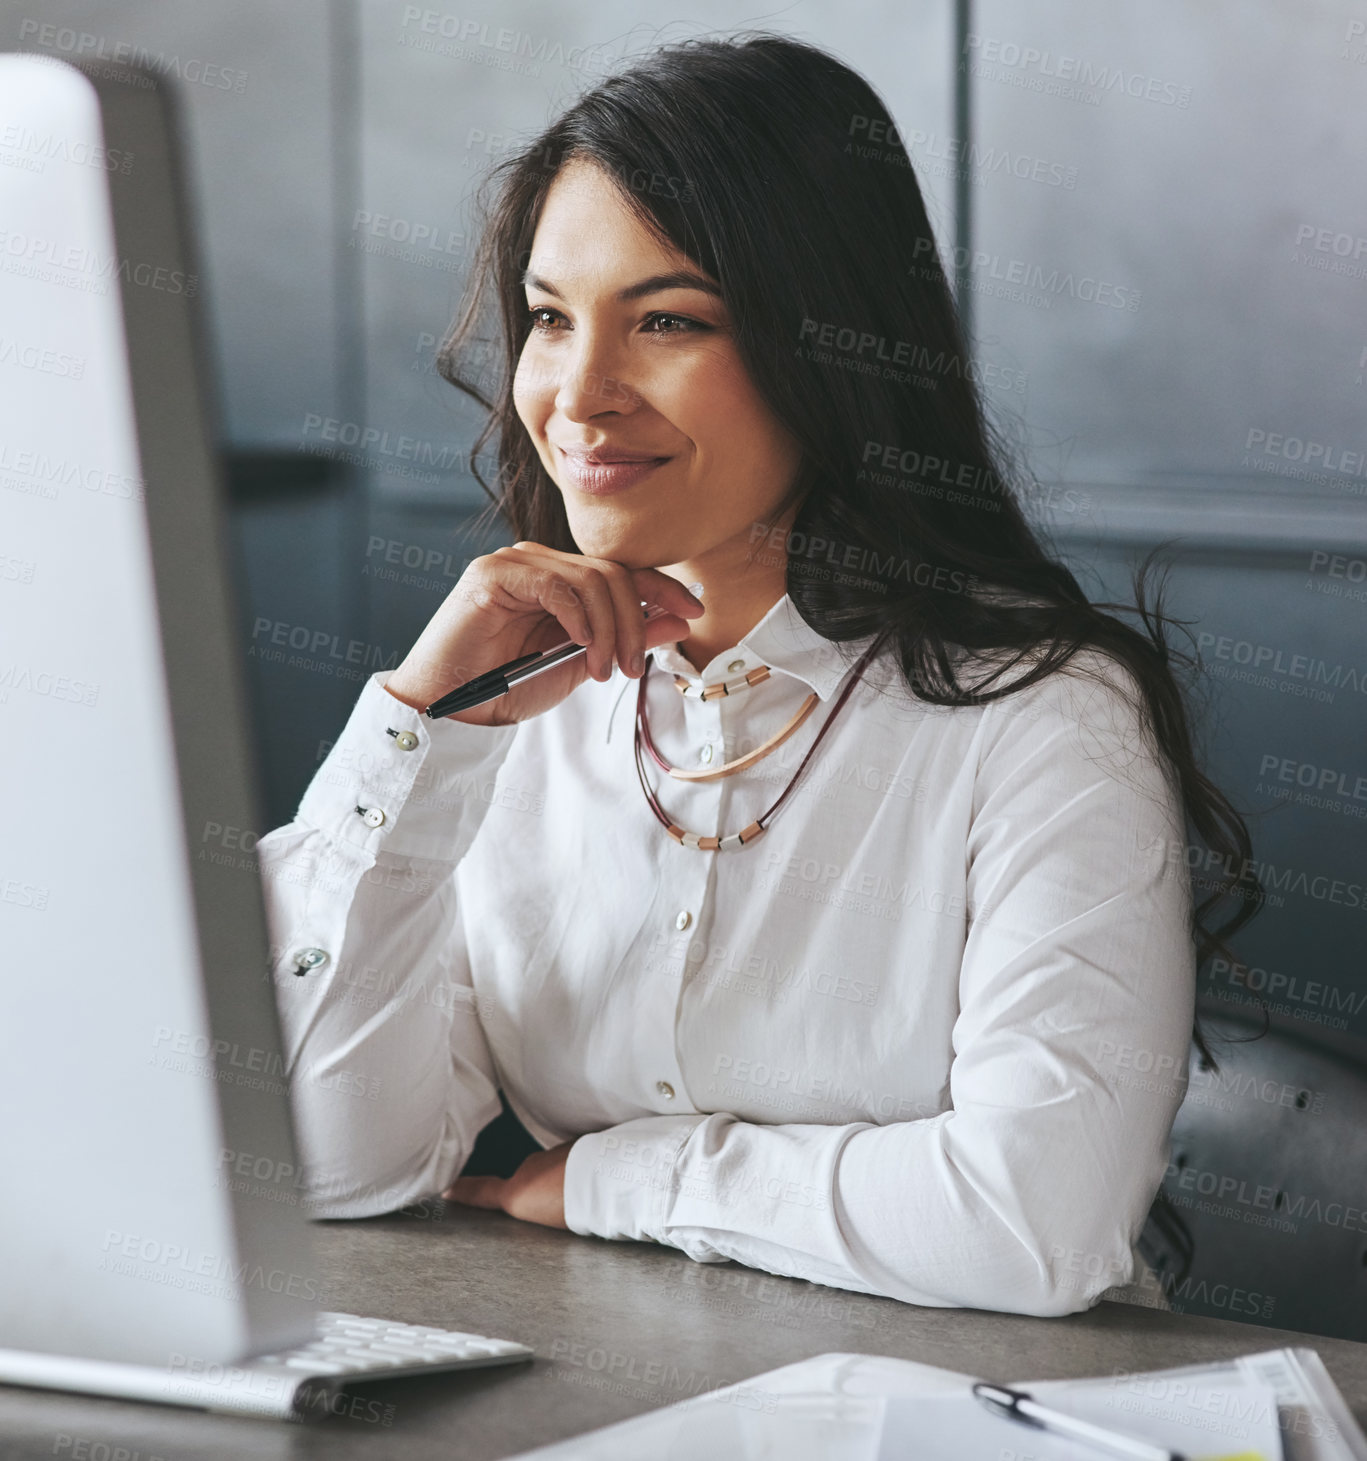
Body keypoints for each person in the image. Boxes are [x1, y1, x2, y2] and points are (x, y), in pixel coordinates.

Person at [255, 32, 1261, 1317]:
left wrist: (611, 1179)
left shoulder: (1041, 720)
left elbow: (1030, 1225)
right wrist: (415, 737)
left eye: (667, 320)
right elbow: (337, 1164)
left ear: (827, 350)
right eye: (551, 319)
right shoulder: (524, 717)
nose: (578, 395)